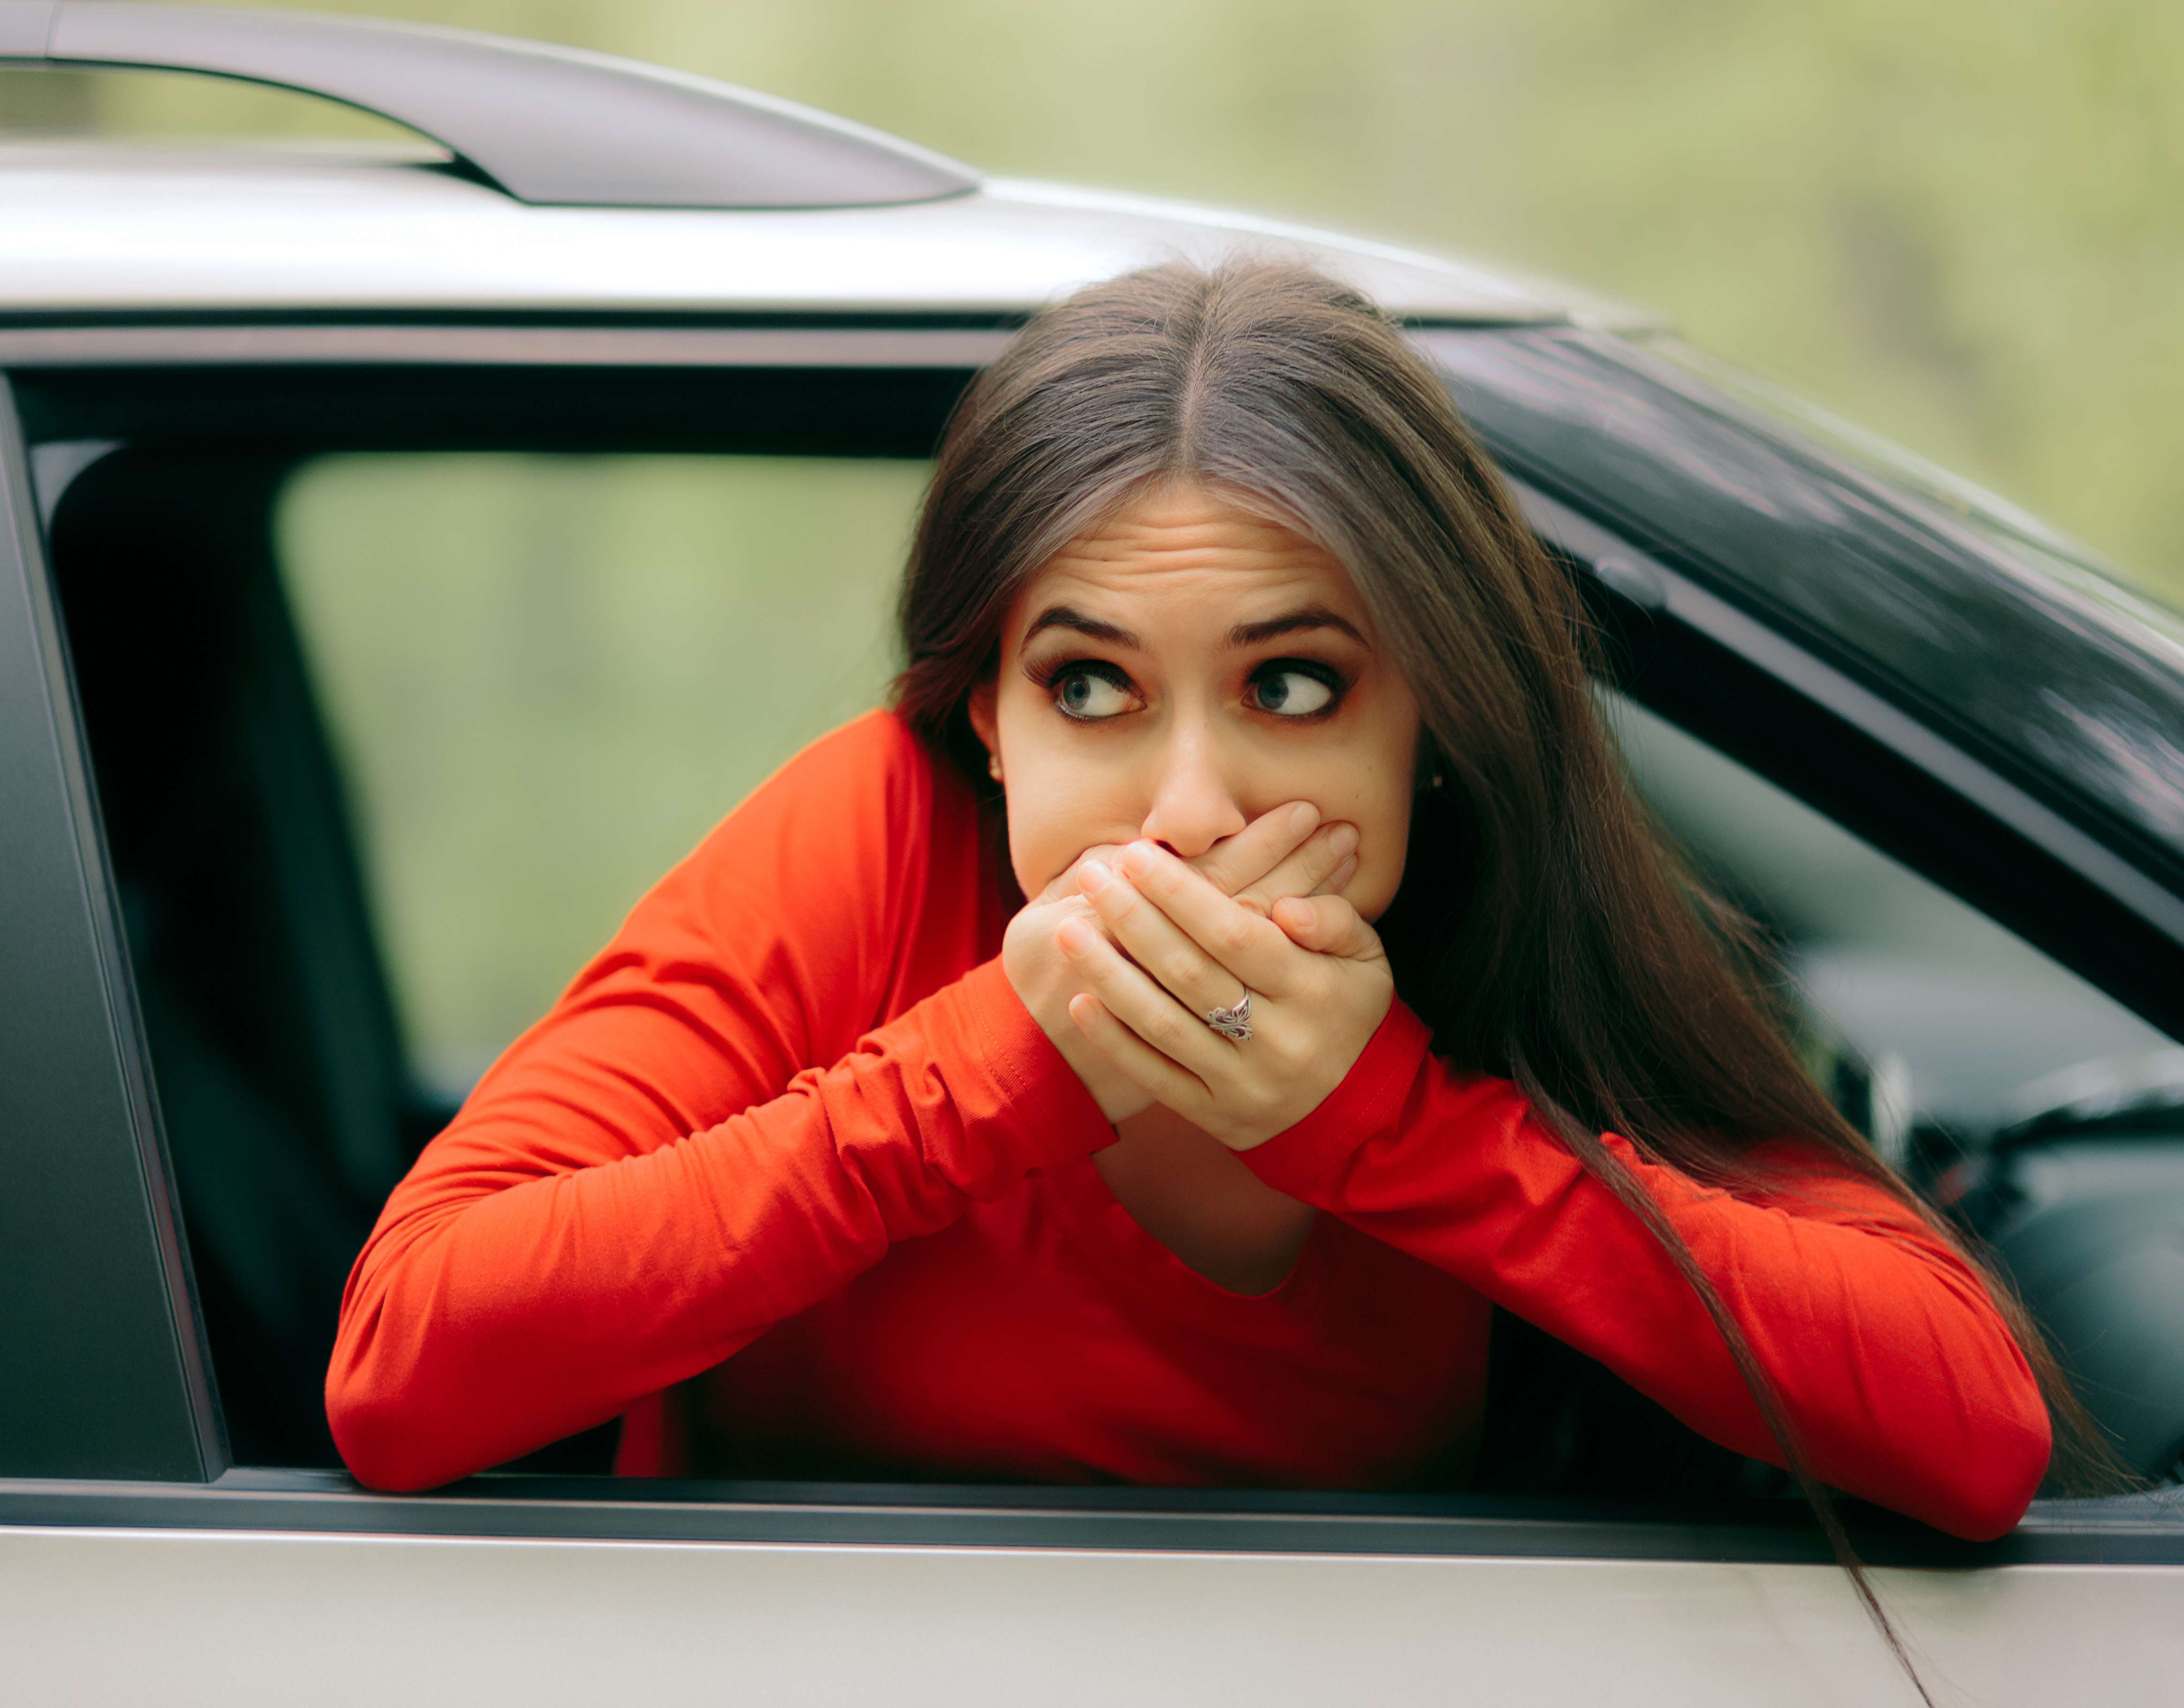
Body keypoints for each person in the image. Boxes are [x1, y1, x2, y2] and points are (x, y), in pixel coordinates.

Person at [324, 259, 2070, 1547]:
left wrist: (1387, 1131)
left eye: (1292, 689)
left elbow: (1971, 1429)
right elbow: (408, 1363)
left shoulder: (1504, 919)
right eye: (1091, 689)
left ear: (1429, 720)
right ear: (987, 717)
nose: (1185, 807)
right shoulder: (872, 839)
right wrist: (989, 1075)